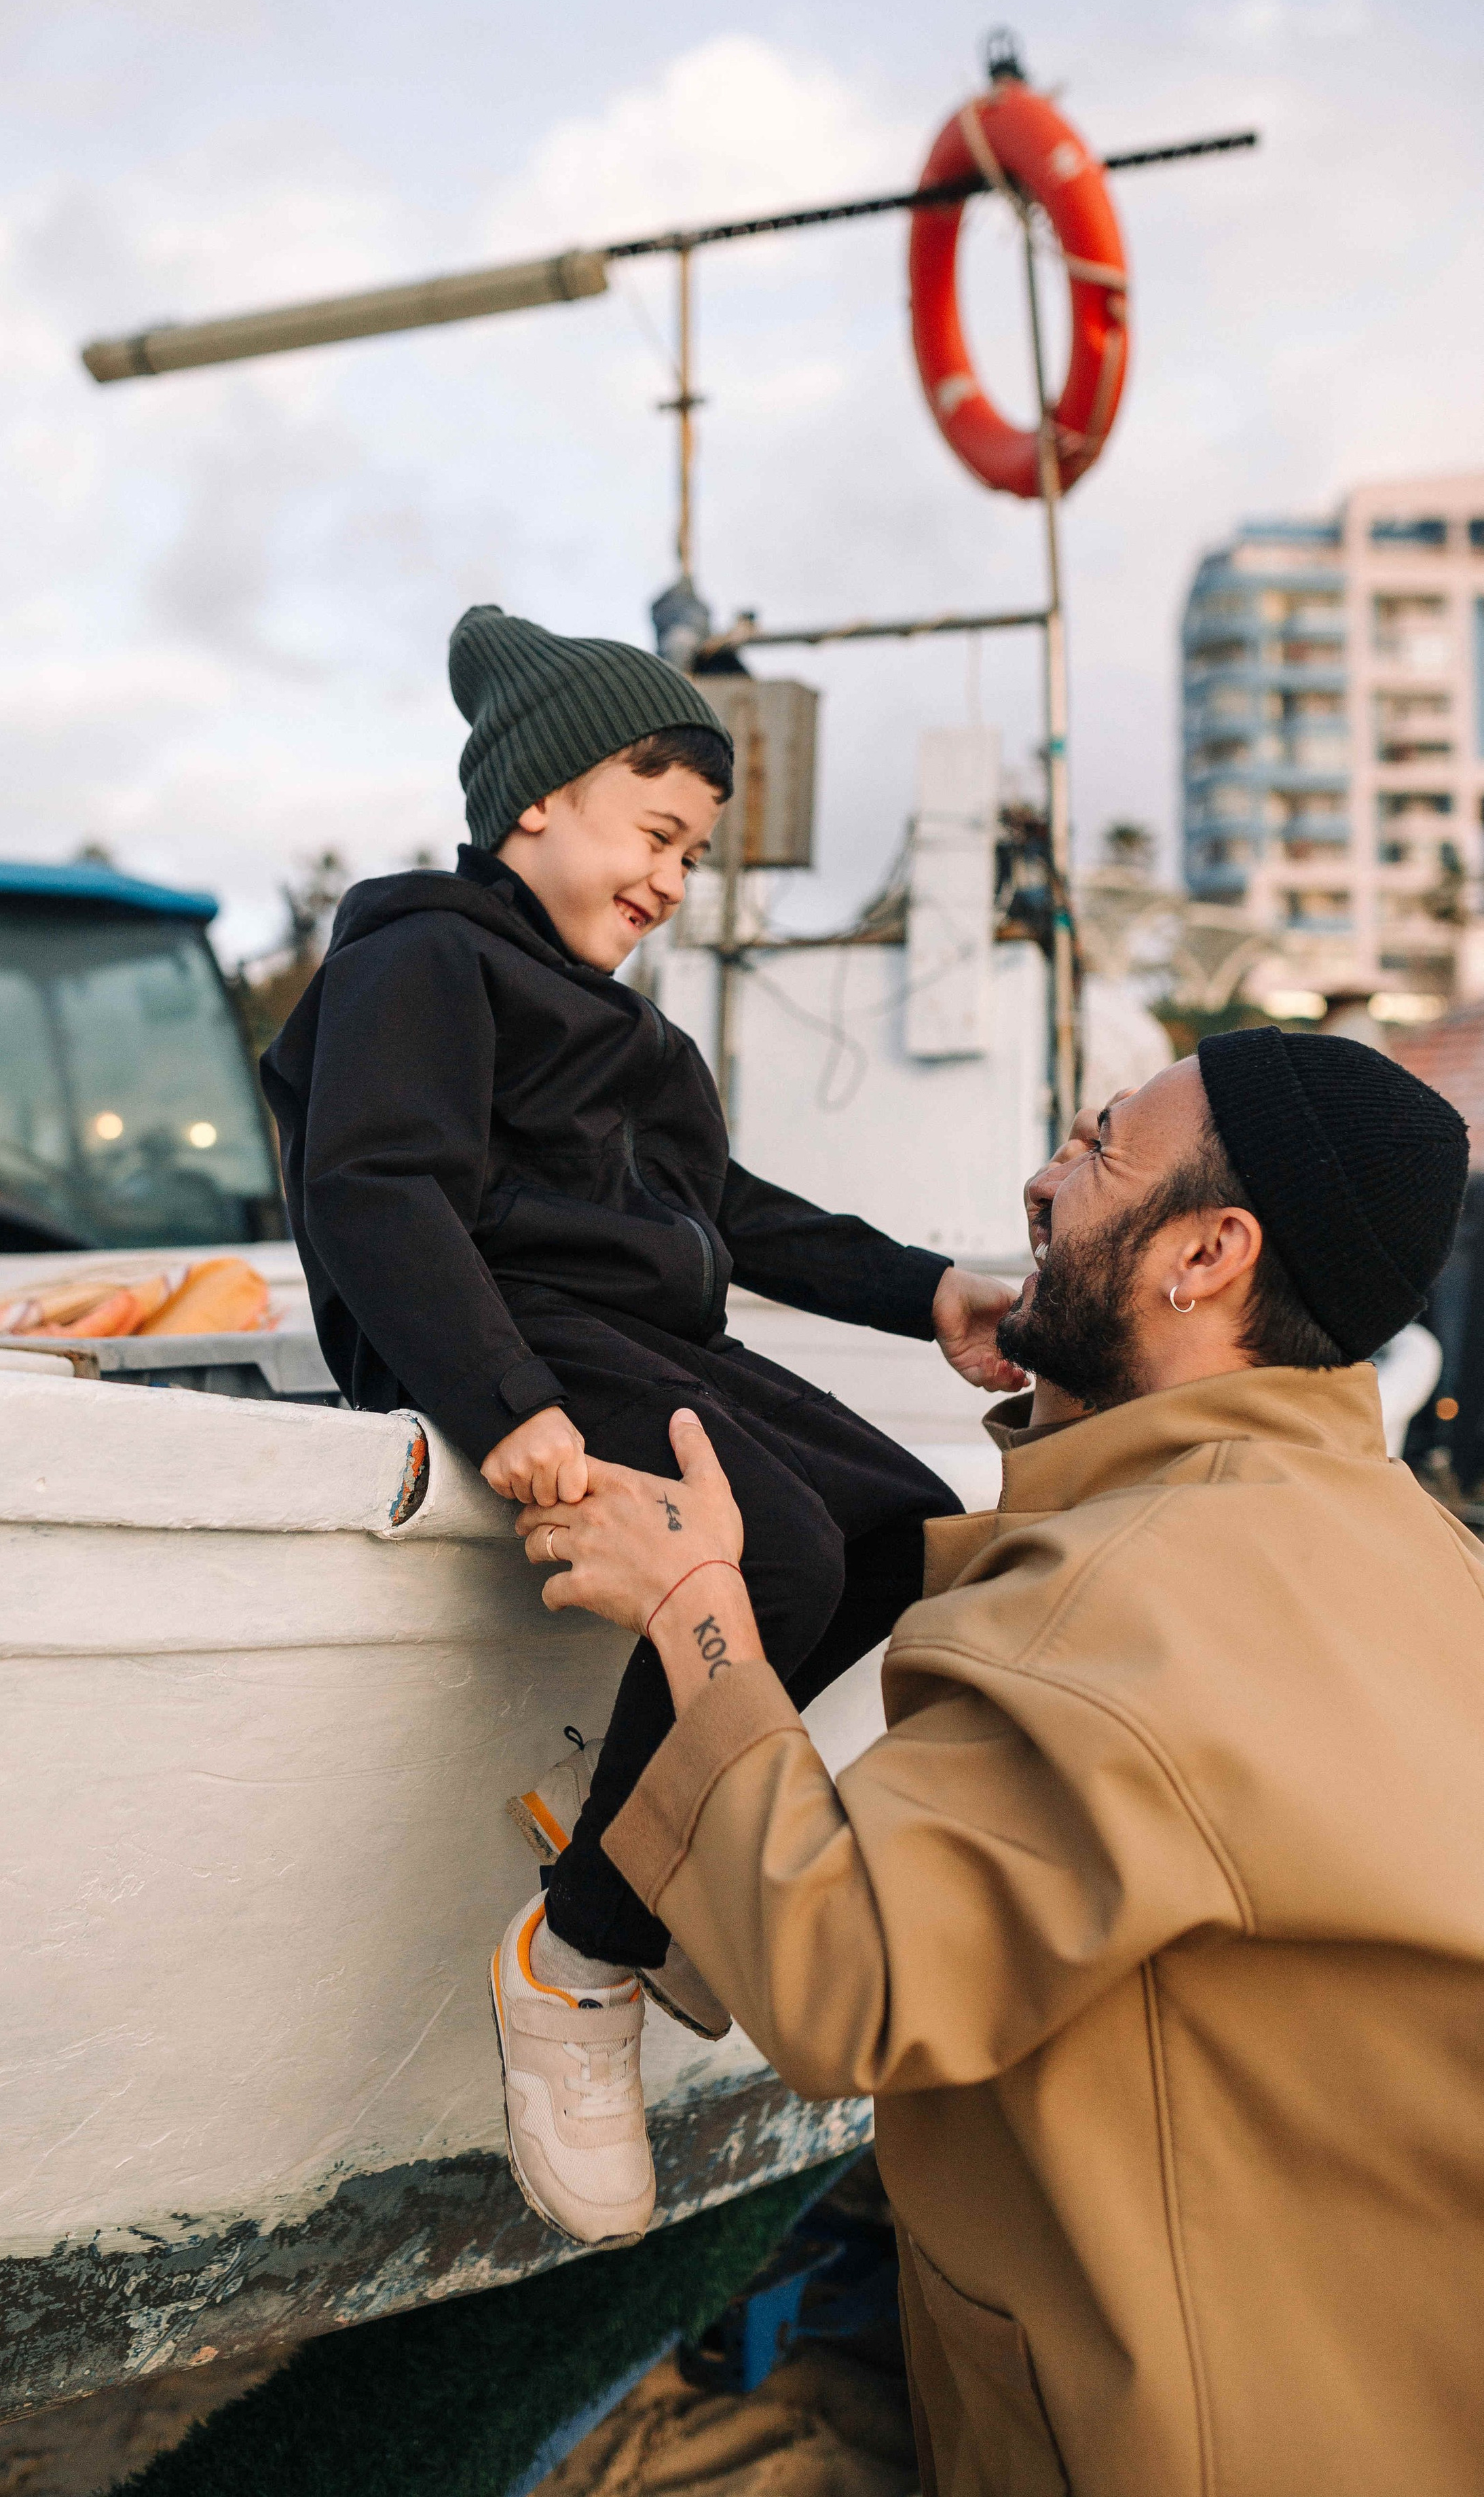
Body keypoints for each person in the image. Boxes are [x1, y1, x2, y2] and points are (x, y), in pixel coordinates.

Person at [513, 1027, 1484, 2497]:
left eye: (1099, 1150)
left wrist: (698, 1614)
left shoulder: (1120, 1606)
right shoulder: (1410, 1543)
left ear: (1208, 1253)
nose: (1043, 1182)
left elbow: (848, 1980)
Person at [261, 604, 1021, 2247]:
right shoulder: (418, 958)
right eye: (655, 832)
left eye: (691, 850)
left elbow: (728, 1209)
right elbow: (373, 1190)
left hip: (636, 1341)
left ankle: (644, 1857)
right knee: (783, 1560)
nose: (673, 878)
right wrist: (506, 1404)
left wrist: (930, 1293)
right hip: (515, 1340)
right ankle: (580, 1954)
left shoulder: (625, 1026)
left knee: (900, 1528)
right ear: (536, 800)